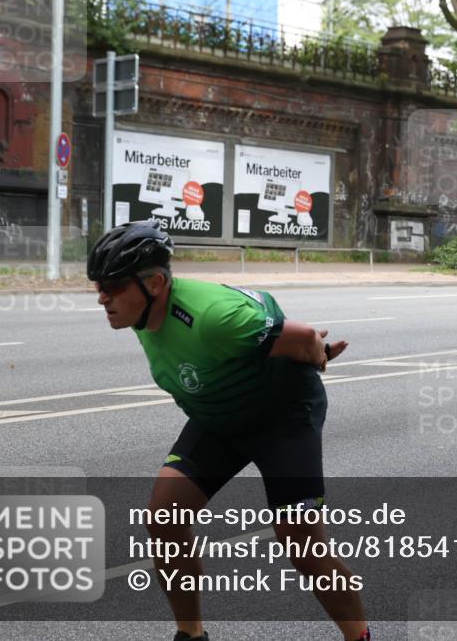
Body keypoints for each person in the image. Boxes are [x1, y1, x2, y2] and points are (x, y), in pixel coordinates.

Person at [88, 221, 370, 641]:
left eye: (112, 286)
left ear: (156, 284)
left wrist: (318, 354)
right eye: (98, 286)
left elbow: (306, 336)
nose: (102, 297)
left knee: (302, 545)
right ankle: (191, 635)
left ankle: (359, 637)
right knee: (163, 518)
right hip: (220, 415)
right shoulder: (142, 311)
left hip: (282, 416)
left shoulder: (213, 317)